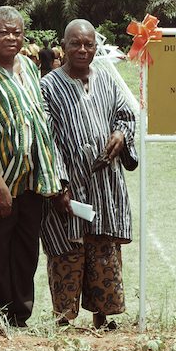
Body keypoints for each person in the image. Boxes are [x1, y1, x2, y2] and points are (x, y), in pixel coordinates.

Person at [0, 6, 65, 328]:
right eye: (3, 32)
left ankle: (20, 315)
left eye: (16, 32)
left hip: (32, 181)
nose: (11, 37)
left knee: (24, 250)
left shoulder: (30, 68)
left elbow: (40, 119)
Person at [40, 19, 138, 330]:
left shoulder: (107, 81)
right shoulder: (49, 87)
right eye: (75, 44)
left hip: (104, 183)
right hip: (69, 184)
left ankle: (103, 316)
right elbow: (46, 138)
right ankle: (64, 319)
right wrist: (57, 184)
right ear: (63, 45)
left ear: (96, 47)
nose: (82, 50)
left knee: (103, 249)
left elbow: (125, 114)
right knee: (68, 250)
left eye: (89, 44)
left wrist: (121, 135)